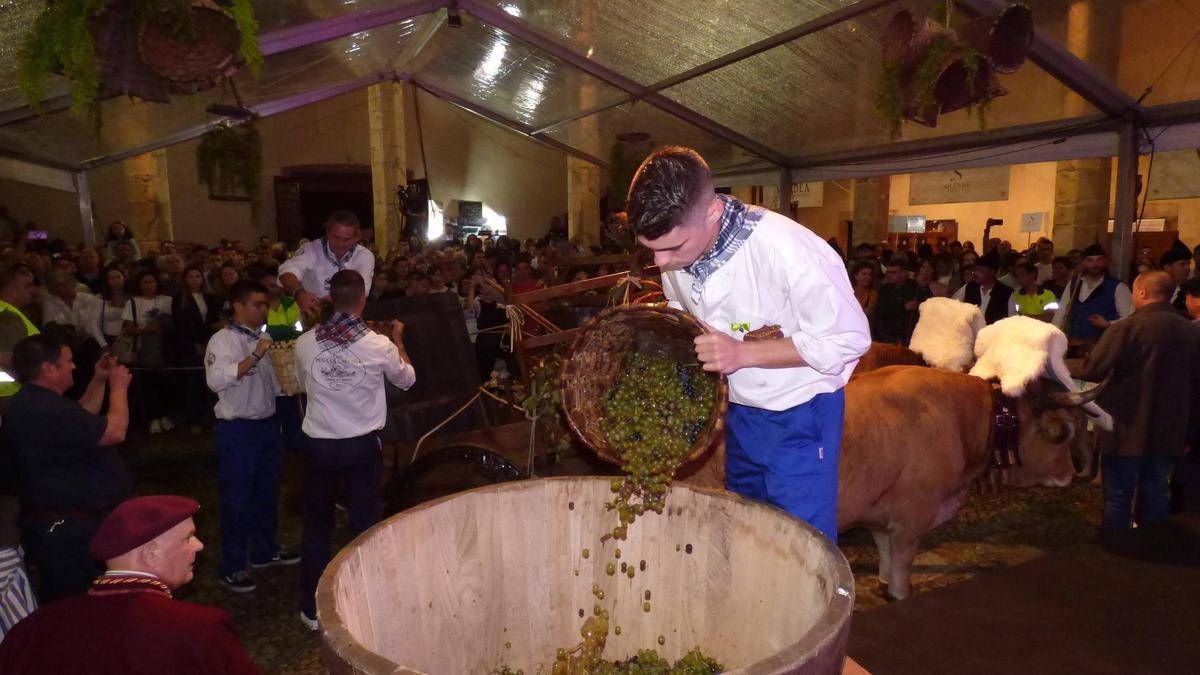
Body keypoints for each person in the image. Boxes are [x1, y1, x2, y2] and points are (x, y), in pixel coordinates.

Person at [626, 147, 870, 540]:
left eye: (673, 247)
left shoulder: (787, 249)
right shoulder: (675, 252)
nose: (661, 263)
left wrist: (742, 353)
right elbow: (682, 308)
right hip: (740, 411)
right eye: (651, 249)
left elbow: (848, 338)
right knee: (749, 526)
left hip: (800, 413)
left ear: (712, 212)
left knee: (803, 540)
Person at [0, 495, 261, 674]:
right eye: (188, 538)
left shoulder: (35, 627)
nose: (200, 545)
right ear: (152, 553)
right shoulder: (196, 629)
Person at [294, 270, 414, 629]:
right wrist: (398, 340)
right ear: (363, 299)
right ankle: (370, 600)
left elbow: (302, 384)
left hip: (319, 445)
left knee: (317, 524)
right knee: (364, 524)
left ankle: (311, 609)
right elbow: (407, 379)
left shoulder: (305, 343)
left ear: (331, 299)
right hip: (361, 446)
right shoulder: (379, 345)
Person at [3, 335, 131, 600]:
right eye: (68, 361)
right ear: (48, 368)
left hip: (63, 524)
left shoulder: (36, 403)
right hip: (66, 531)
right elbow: (114, 431)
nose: (74, 366)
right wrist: (118, 388)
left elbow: (81, 417)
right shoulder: (44, 408)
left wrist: (98, 380)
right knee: (75, 601)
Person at [1078, 271, 1200, 541]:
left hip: (1126, 427)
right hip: (1169, 429)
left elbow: (1093, 370)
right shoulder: (1190, 332)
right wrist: (1189, 433)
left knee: (1118, 495)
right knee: (1156, 490)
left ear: (1142, 292)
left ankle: (1117, 549)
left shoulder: (1127, 328)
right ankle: (1150, 544)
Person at [205, 280, 299, 593]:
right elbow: (216, 380)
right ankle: (232, 565)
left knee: (267, 491)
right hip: (238, 428)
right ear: (238, 306)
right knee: (237, 497)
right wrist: (256, 357)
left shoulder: (263, 337)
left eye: (265, 304)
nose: (264, 310)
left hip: (266, 424)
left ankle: (264, 550)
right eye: (258, 304)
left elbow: (273, 383)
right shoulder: (223, 340)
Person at [249, 263, 305, 453]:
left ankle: (293, 443)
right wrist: (283, 331)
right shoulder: (258, 306)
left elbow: (298, 331)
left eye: (279, 285)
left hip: (288, 363)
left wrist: (273, 332)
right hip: (263, 361)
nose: (277, 289)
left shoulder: (292, 304)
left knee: (291, 405)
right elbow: (257, 333)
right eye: (272, 285)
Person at [279, 210, 376, 318]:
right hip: (313, 318)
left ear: (355, 238)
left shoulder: (364, 256)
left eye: (346, 240)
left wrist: (326, 302)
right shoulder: (311, 249)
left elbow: (361, 291)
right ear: (327, 232)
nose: (340, 244)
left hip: (347, 319)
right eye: (336, 237)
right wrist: (299, 293)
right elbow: (286, 272)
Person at [1052, 244, 1133, 350]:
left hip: (1102, 345)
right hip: (1073, 343)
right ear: (1084, 262)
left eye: (1099, 260)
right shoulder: (1074, 283)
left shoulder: (1118, 287)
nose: (1095, 264)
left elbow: (1129, 318)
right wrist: (1054, 336)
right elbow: (1061, 312)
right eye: (1090, 260)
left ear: (1105, 261)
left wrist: (1108, 324)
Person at [122, 270, 174, 434]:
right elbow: (128, 328)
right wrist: (145, 330)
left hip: (164, 348)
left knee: (165, 382)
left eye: (152, 281)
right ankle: (153, 417)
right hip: (144, 348)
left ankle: (165, 414)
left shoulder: (167, 300)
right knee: (148, 382)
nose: (149, 285)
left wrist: (163, 326)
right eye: (145, 282)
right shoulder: (133, 302)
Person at [173, 266, 219, 433]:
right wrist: (196, 342)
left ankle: (212, 416)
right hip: (190, 345)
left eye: (197, 276)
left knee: (210, 381)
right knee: (192, 383)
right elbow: (182, 324)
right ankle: (195, 418)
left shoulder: (209, 297)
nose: (194, 280)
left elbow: (211, 320)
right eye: (191, 277)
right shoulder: (180, 299)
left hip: (209, 343)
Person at [0, 265, 40, 400]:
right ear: (12, 290)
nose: (33, 291)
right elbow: (10, 361)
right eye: (27, 286)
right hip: (11, 397)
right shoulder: (8, 317)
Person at [952, 249, 1017, 324]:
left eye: (980, 270)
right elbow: (953, 305)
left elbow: (1012, 320)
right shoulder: (969, 287)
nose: (975, 273)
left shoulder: (1006, 293)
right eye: (975, 269)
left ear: (992, 272)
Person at [874, 259, 919, 345]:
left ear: (903, 273)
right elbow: (881, 310)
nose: (889, 275)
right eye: (888, 272)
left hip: (910, 332)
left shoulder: (914, 287)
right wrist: (903, 307)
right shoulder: (884, 289)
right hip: (889, 334)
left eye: (893, 272)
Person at [1160, 239, 1193, 314]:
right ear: (1167, 267)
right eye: (1182, 264)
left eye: (1188, 264)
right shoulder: (1156, 290)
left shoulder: (1190, 292)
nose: (1187, 268)